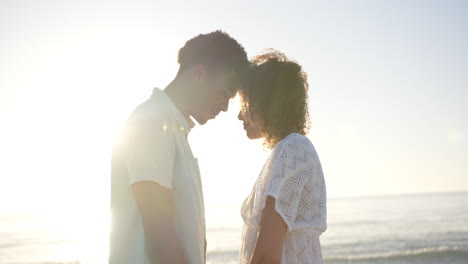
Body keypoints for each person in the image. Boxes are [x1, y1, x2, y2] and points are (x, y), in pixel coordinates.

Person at [110, 30, 249, 264]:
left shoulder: (171, 127)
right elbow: (160, 233)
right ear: (199, 74)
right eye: (223, 93)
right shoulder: (152, 122)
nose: (225, 107)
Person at [238, 50, 327, 264]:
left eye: (246, 103)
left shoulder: (293, 150)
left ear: (267, 102)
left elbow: (266, 258)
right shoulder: (292, 149)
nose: (240, 115)